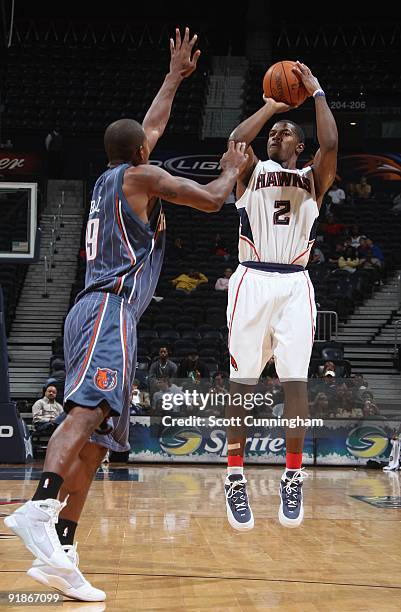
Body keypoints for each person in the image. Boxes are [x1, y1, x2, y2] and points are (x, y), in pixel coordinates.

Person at [5, 27, 248, 602]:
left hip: (113, 316)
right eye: (150, 144)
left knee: (98, 444)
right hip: (106, 308)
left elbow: (150, 127)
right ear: (142, 154)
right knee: (86, 413)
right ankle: (40, 505)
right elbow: (213, 199)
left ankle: (63, 550)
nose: (154, 144)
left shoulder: (116, 175)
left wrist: (172, 78)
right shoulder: (139, 177)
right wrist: (234, 166)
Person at [223, 60, 338, 531]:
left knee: (295, 383)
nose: (277, 135)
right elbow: (235, 142)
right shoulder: (251, 173)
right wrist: (271, 107)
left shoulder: (313, 178)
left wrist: (315, 91)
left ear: (300, 145)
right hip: (250, 280)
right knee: (243, 383)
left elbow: (331, 143)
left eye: (287, 131)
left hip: (293, 284)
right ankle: (234, 478)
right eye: (275, 132)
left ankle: (293, 475)